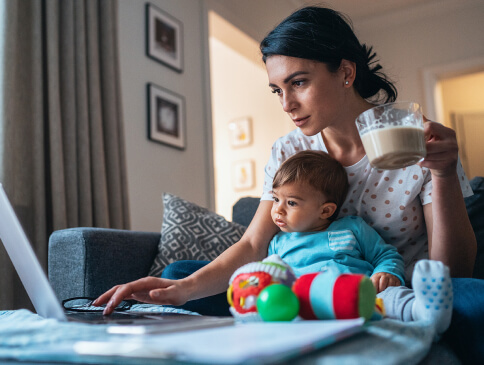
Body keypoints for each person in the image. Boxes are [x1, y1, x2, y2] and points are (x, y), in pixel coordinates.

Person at [94, 6, 481, 362]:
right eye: (278, 89)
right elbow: (252, 245)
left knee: (474, 300)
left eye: (298, 83)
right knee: (179, 274)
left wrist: (444, 172)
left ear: (346, 73)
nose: (286, 104)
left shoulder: (418, 138)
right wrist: (180, 290)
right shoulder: (290, 149)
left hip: (399, 293)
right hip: (301, 291)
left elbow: (454, 269)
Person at [267, 150, 452, 335]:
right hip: (311, 303)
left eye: (291, 203)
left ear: (325, 211)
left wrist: (386, 272)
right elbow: (272, 275)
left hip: (362, 295)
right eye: (275, 199)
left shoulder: (351, 228)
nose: (278, 210)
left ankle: (424, 311)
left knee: (390, 297)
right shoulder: (278, 243)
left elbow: (385, 255)